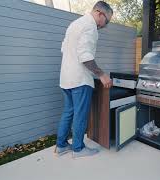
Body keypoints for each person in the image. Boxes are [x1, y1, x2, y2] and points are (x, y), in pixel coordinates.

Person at [55, 1, 113, 158]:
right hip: (79, 79)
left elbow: (64, 49)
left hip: (66, 77)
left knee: (68, 112)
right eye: (106, 21)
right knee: (80, 114)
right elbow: (85, 56)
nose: (105, 25)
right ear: (99, 13)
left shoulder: (74, 24)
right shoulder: (90, 27)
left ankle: (61, 146)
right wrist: (101, 74)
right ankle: (78, 149)